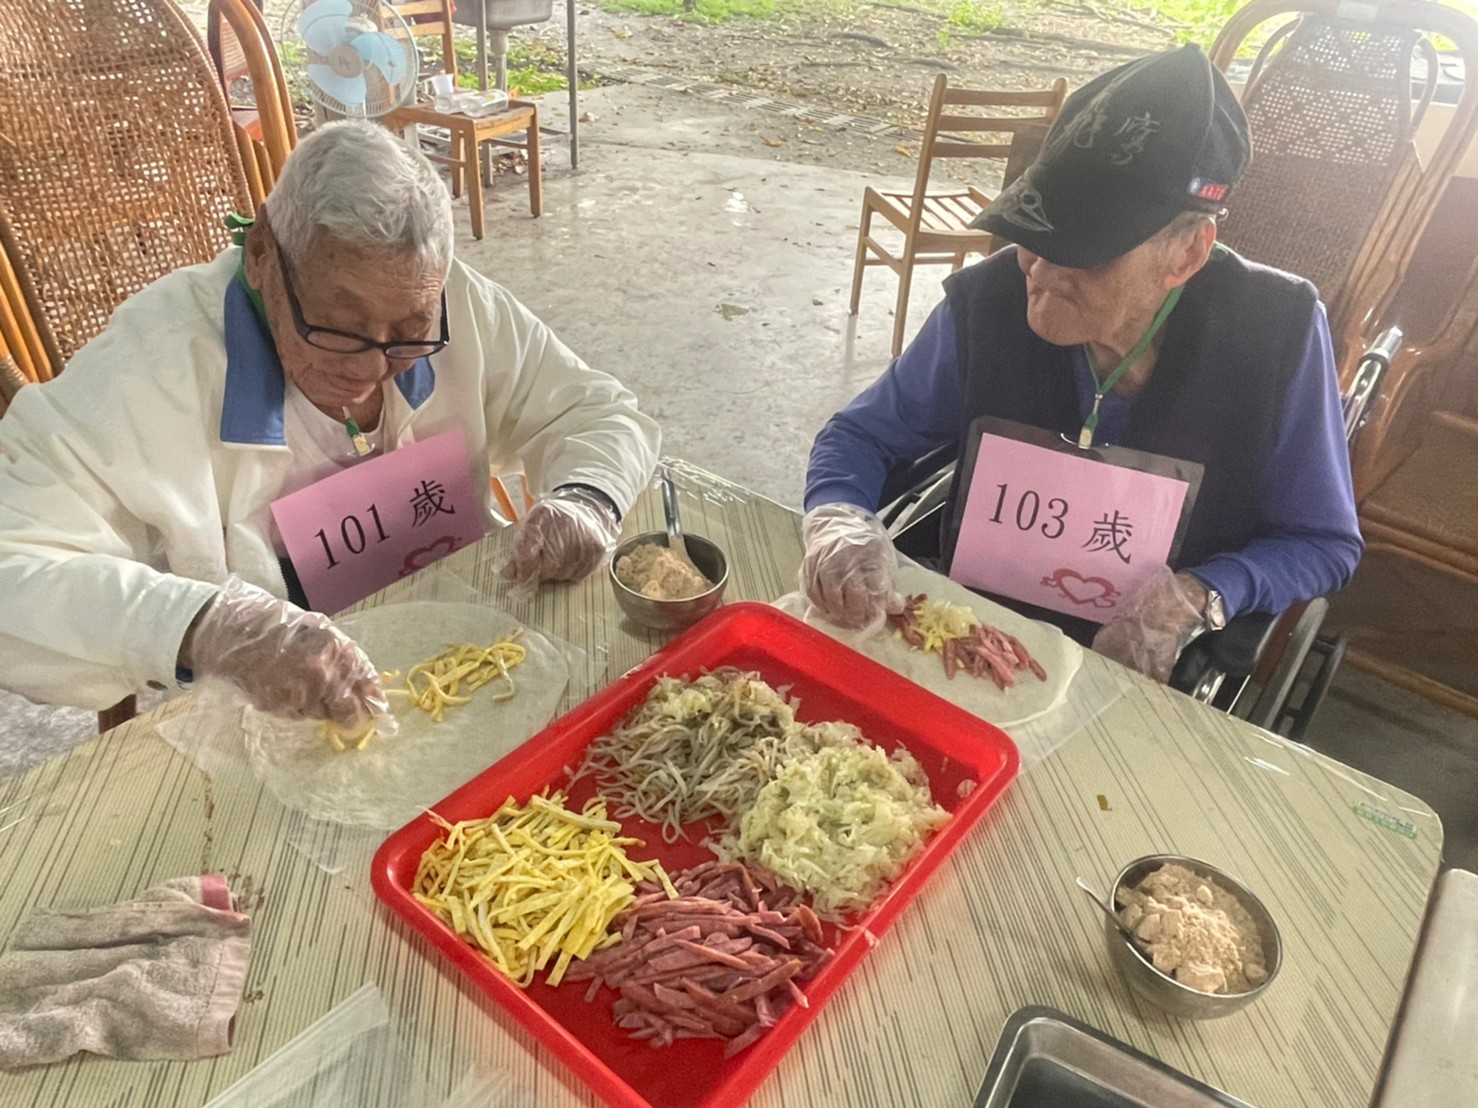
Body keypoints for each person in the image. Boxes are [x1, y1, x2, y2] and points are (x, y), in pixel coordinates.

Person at [0, 120, 658, 724]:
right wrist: (207, 624)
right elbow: (11, 565)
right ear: (262, 252)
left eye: (407, 335)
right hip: (268, 717)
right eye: (341, 329)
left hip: (470, 661)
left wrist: (586, 498)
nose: (373, 369)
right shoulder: (150, 367)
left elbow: (598, 411)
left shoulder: (453, 302)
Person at [802, 44, 1363, 682]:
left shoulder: (1275, 333)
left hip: (1142, 662)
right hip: (963, 632)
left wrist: (1203, 593)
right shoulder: (987, 304)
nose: (1037, 272)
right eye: (1033, 235)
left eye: (1087, 253)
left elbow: (1322, 541)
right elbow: (861, 434)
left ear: (1186, 253)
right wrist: (839, 517)